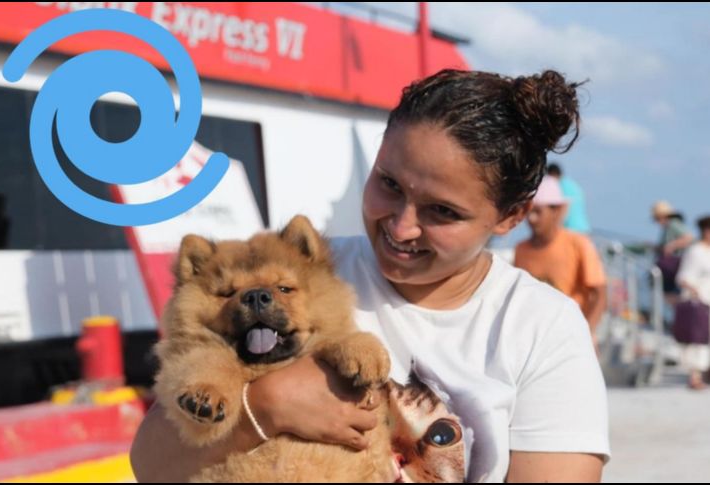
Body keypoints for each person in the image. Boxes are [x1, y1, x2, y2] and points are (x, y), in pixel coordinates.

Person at [131, 69, 610, 482]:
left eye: (442, 211)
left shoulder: (541, 328)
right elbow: (151, 465)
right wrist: (267, 403)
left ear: (510, 217)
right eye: (389, 184)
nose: (401, 226)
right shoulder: (305, 275)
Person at [513, 176, 608, 347]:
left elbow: (599, 292)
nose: (532, 219)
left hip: (570, 336)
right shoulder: (521, 249)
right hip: (534, 338)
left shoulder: (578, 244)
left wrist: (587, 332)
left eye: (538, 212)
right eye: (529, 212)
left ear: (556, 211)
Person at [676, 216, 710, 390]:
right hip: (699, 302)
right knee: (697, 341)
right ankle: (694, 377)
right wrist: (695, 291)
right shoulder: (695, 251)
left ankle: (703, 375)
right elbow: (682, 277)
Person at [652, 200, 694, 299]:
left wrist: (671, 246)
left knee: (672, 293)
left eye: (657, 218)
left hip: (674, 266)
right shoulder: (668, 227)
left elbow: (688, 237)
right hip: (673, 267)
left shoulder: (673, 224)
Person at [547, 162, 591, 233]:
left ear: (552, 174)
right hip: (583, 228)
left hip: (570, 230)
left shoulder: (559, 186)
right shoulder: (573, 184)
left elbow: (563, 208)